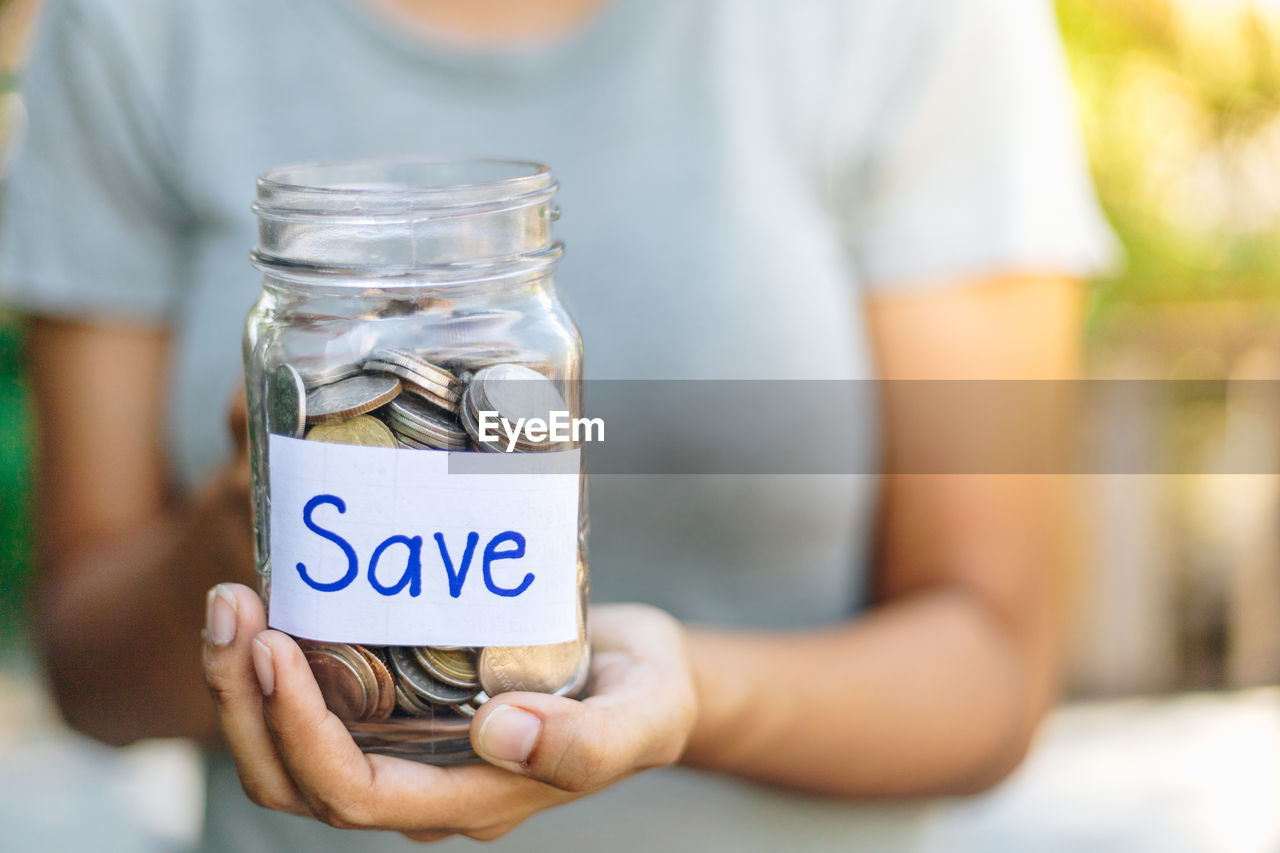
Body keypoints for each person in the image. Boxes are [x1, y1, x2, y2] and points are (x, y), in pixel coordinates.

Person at [0, 0, 1115, 848]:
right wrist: (251, 525)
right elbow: (87, 664)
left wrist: (689, 695)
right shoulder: (135, 25)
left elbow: (993, 668)